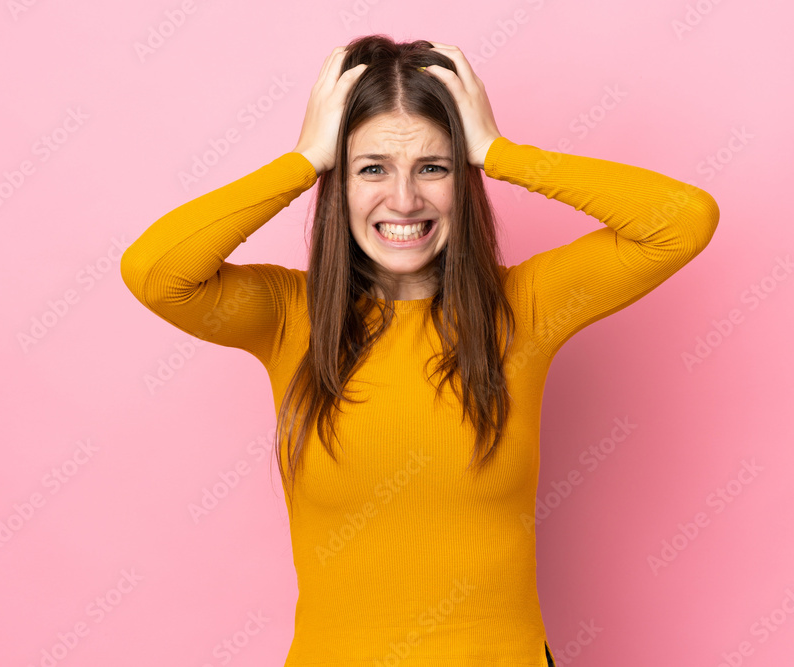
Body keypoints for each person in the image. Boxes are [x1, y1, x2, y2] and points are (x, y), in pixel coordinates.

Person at [122, 35, 718, 667]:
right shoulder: (287, 315)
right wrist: (303, 159)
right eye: (371, 168)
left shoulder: (525, 308)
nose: (404, 200)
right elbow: (155, 271)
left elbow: (681, 220)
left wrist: (497, 151)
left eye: (432, 167)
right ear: (338, 182)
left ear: (462, 180)